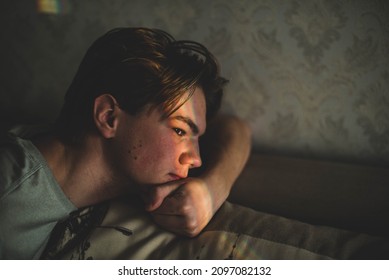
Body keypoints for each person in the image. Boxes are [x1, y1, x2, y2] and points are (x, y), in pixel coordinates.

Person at [0, 27, 251, 259]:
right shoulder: (11, 192)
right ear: (109, 117)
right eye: (179, 130)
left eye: (197, 137)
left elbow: (234, 128)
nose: (196, 159)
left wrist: (212, 190)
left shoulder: (125, 170)